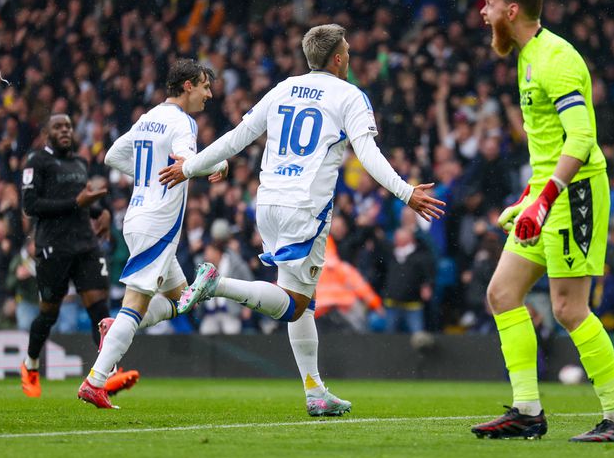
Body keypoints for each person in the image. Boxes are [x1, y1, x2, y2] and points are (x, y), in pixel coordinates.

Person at [159, 24, 445, 416]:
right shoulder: (350, 96)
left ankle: (314, 390)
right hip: (305, 208)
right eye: (347, 49)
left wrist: (191, 166)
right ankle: (218, 283)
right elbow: (368, 152)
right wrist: (406, 191)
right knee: (294, 305)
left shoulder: (282, 88)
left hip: (269, 203)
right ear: (339, 58)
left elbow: (237, 137)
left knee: (303, 303)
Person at [470, 0, 614, 442]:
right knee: (502, 293)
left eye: (489, 5)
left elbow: (582, 140)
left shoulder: (557, 58)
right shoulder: (526, 58)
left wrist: (544, 200)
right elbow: (548, 147)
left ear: (511, 12)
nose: (482, 13)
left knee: (568, 308)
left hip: (575, 193)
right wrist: (528, 196)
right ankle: (527, 410)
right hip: (546, 195)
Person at [77, 59, 225, 409]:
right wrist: (219, 163)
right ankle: (96, 380)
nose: (209, 94)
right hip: (157, 222)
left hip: (138, 217)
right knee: (136, 304)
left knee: (183, 299)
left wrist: (148, 175)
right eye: (205, 86)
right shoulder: (182, 122)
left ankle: (115, 327)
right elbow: (188, 161)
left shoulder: (148, 117)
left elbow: (114, 156)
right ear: (187, 86)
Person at [19, 113, 139, 398]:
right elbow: (30, 205)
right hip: (53, 247)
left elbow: (82, 203)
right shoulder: (37, 162)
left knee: (99, 312)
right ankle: (31, 364)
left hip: (85, 245)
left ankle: (107, 375)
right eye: (58, 127)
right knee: (49, 314)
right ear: (47, 132)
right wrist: (77, 202)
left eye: (68, 127)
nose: (64, 131)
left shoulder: (80, 163)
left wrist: (102, 212)